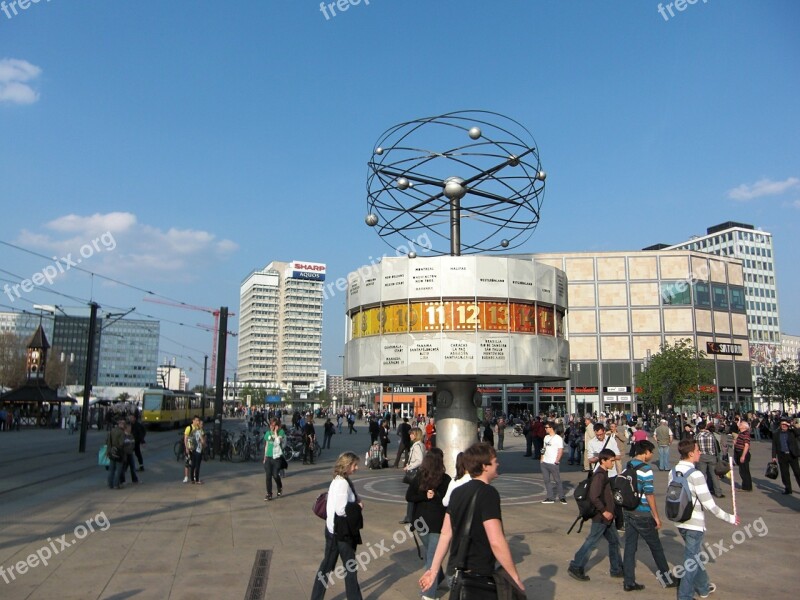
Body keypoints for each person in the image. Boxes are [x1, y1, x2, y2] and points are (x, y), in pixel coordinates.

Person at [419, 442, 525, 597]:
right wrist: (514, 577)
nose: (498, 464)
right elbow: (496, 540)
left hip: (457, 573)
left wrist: (433, 570)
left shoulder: (457, 492)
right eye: (495, 461)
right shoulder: (488, 493)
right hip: (479, 574)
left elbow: (445, 534)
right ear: (484, 466)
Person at [665, 439, 739, 599]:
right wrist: (730, 518)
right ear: (691, 453)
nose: (700, 453)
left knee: (694, 556)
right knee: (691, 561)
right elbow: (709, 504)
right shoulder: (696, 474)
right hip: (694, 523)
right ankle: (684, 595)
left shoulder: (673, 471)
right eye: (698, 450)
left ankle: (704, 587)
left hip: (679, 520)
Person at [621, 440, 675, 592]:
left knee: (630, 547)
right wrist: (656, 516)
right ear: (645, 452)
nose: (651, 455)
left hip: (629, 510)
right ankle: (667, 578)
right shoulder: (646, 469)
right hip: (642, 512)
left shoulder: (629, 465)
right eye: (651, 452)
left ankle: (629, 581)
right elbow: (649, 494)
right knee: (656, 547)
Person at [310, 452, 364, 600]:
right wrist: (357, 506)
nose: (356, 468)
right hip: (340, 533)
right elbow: (341, 509)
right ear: (346, 466)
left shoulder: (338, 480)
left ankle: (316, 597)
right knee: (348, 568)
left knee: (328, 567)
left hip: (332, 530)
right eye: (354, 465)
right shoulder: (342, 483)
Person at [568, 448, 622, 582]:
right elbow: (594, 496)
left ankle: (616, 569)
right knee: (591, 542)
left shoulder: (604, 473)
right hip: (601, 517)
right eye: (611, 461)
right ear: (603, 460)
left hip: (608, 517)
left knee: (614, 541)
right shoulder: (599, 475)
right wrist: (604, 511)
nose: (613, 463)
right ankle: (576, 565)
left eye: (614, 461)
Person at [405, 448, 451, 600]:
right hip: (437, 524)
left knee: (431, 554)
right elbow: (447, 501)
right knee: (432, 556)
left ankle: (441, 579)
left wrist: (423, 495)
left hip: (421, 523)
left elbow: (410, 496)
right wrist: (430, 496)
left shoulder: (419, 477)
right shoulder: (445, 480)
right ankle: (428, 594)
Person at [401, 428, 426, 524]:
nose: (410, 436)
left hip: (415, 473)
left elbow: (419, 460)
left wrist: (409, 466)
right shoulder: (421, 445)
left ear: (417, 435)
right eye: (410, 434)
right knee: (415, 494)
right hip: (419, 472)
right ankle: (411, 516)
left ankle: (410, 517)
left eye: (412, 434)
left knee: (411, 495)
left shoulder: (416, 446)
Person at [771, 417, 800, 494]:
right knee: (785, 473)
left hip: (792, 455)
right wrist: (773, 456)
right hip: (782, 455)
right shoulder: (776, 434)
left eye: (785, 424)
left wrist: (791, 425)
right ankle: (788, 489)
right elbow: (774, 446)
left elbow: (798, 433)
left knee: (797, 472)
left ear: (787, 425)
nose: (783, 426)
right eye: (782, 424)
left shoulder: (792, 432)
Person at [695, 421, 724, 498]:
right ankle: (718, 492)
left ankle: (702, 493)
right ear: (705, 427)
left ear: (698, 428)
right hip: (712, 456)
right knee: (714, 475)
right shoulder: (711, 435)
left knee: (702, 475)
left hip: (702, 456)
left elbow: (695, 447)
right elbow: (716, 446)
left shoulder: (697, 436)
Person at [540, 421, 566, 504]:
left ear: (551, 428)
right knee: (546, 480)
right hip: (545, 462)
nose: (545, 429)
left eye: (546, 427)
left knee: (557, 480)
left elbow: (560, 450)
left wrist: (557, 460)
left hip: (553, 463)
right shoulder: (546, 437)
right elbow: (543, 448)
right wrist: (541, 459)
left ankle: (562, 497)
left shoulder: (558, 438)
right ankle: (550, 497)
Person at [263, 417, 286, 501]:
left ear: (277, 426)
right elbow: (266, 445)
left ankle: (279, 487)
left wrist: (276, 432)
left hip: (277, 457)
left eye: (273, 425)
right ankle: (269, 493)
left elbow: (278, 442)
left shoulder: (281, 432)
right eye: (270, 425)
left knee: (275, 475)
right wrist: (264, 457)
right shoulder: (267, 433)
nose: (271, 427)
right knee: (268, 476)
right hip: (268, 457)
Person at [105, 418, 126, 489]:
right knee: (118, 469)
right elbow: (121, 443)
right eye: (124, 424)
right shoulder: (121, 432)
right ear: (121, 425)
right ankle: (116, 484)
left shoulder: (112, 431)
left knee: (111, 469)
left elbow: (107, 441)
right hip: (119, 453)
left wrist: (108, 451)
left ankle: (110, 484)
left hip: (112, 451)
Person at [184, 416, 205, 484]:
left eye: (198, 421)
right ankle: (189, 478)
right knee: (191, 464)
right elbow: (186, 438)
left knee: (193, 464)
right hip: (193, 449)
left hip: (194, 449)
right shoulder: (190, 428)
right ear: (193, 421)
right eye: (197, 420)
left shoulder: (197, 429)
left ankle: (193, 478)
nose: (198, 422)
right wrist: (186, 448)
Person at [733, 419, 752, 491]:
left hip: (743, 453)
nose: (739, 425)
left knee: (744, 470)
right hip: (738, 452)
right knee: (742, 470)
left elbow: (747, 445)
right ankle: (745, 486)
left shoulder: (745, 434)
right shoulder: (741, 433)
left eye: (741, 425)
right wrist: (735, 443)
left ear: (744, 427)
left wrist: (743, 456)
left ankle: (747, 487)